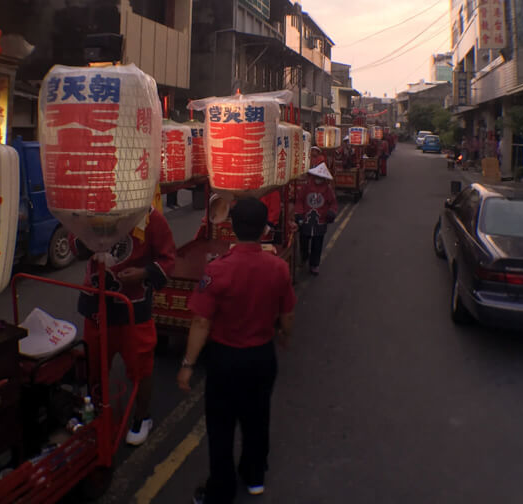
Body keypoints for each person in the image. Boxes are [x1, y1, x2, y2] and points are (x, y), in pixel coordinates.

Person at [178, 198, 296, 504]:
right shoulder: (278, 267)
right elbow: (287, 314)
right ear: (264, 229)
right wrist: (284, 335)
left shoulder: (217, 270)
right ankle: (254, 477)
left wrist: (188, 363)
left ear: (231, 226)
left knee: (221, 426)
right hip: (262, 357)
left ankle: (221, 490)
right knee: (258, 419)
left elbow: (201, 322)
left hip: (225, 360)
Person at [77, 206, 176, 446]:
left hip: (133, 306)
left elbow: (168, 259)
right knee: (95, 364)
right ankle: (98, 413)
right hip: (97, 306)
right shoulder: (91, 212)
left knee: (140, 366)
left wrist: (143, 272)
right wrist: (85, 233)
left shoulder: (151, 219)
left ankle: (142, 417)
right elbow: (74, 245)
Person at [294, 162, 339, 275]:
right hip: (306, 220)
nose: (319, 179)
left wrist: (331, 212)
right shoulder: (306, 187)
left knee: (317, 245)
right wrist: (299, 214)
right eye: (317, 177)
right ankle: (304, 257)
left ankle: (314, 264)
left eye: (321, 177)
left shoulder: (328, 190)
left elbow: (333, 203)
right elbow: (299, 200)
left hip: (320, 221)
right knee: (303, 241)